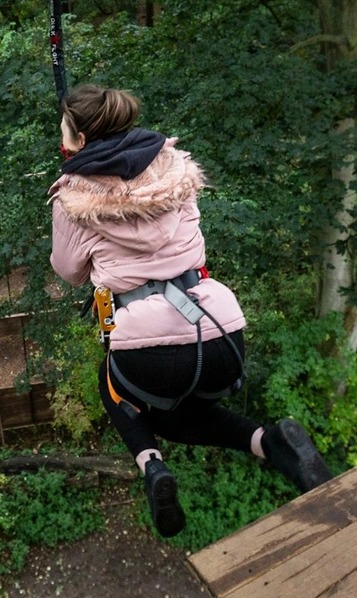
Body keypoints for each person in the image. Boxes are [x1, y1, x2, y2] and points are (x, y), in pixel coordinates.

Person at [49, 84, 332, 538]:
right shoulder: (173, 169)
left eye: (63, 130)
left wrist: (73, 194)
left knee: (113, 386)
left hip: (148, 347)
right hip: (219, 330)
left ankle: (152, 467)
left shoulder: (72, 200)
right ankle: (270, 442)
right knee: (179, 418)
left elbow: (70, 272)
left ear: (79, 140)